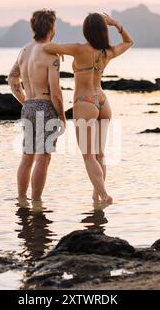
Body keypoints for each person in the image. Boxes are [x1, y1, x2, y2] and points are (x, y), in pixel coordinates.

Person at [44, 13, 133, 204]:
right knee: (100, 154)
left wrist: (60, 51)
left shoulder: (78, 49)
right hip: (102, 101)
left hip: (85, 102)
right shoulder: (108, 52)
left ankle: (104, 195)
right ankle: (96, 198)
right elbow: (128, 42)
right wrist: (116, 24)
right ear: (103, 30)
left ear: (86, 30)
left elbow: (47, 46)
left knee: (88, 155)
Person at [8, 9, 66, 202]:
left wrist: (23, 99)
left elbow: (12, 78)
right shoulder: (51, 55)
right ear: (51, 28)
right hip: (46, 108)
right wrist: (63, 116)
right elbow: (56, 91)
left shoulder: (24, 51)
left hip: (29, 107)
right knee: (43, 157)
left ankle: (21, 199)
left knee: (27, 156)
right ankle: (37, 203)